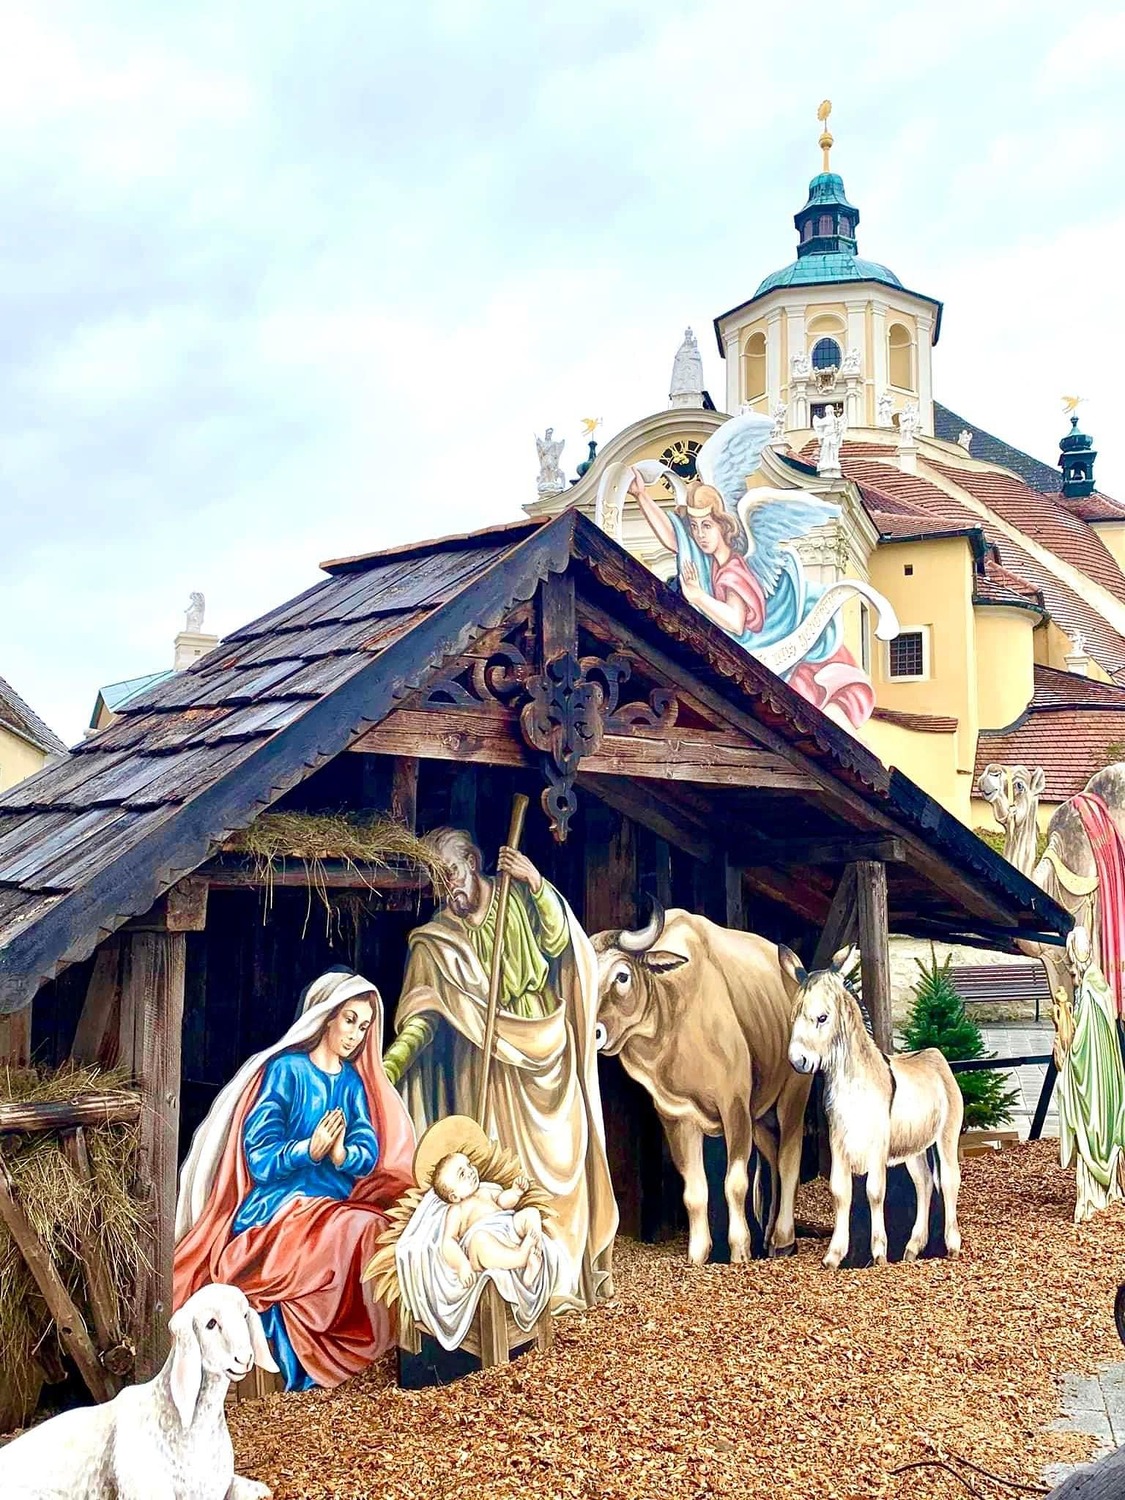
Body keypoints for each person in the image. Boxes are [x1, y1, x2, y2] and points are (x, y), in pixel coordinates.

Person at [382, 827, 617, 1308]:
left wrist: (536, 883)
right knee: (496, 1167)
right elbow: (422, 1015)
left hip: (545, 1046)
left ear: (472, 862)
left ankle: (562, 1279)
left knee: (562, 1164)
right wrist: (390, 1066)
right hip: (482, 1061)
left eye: (451, 872)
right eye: (437, 880)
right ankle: (512, 1285)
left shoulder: (519, 898)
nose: (448, 887)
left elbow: (560, 943)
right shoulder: (436, 940)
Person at [173, 970, 415, 1390]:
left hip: (332, 1208)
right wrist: (308, 1150)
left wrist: (340, 1154)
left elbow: (367, 1151)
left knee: (372, 1229)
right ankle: (315, 1363)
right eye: (349, 1020)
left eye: (364, 1026)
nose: (356, 1034)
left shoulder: (353, 1083)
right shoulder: (286, 1071)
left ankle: (362, 1359)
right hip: (277, 1209)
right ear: (326, 1018)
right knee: (355, 1230)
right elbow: (259, 1157)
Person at [630, 468, 874, 730]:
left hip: (766, 648)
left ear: (723, 527)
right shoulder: (709, 561)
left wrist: (697, 596)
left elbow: (736, 623)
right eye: (695, 527)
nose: (699, 535)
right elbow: (674, 538)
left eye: (707, 526)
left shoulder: (733, 571)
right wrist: (641, 496)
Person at [1054, 926, 1125, 1225]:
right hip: (1105, 1076)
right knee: (1102, 1123)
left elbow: (1080, 1042)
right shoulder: (1101, 986)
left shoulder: (1088, 990)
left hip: (1092, 1076)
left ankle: (1094, 1196)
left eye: (1072, 963)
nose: (1071, 971)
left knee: (1090, 1122)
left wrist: (1064, 1037)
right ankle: (1105, 1189)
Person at [431, 1152, 544, 1281]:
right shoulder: (457, 1210)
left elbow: (502, 1202)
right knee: (479, 1239)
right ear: (454, 1197)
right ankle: (521, 1257)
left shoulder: (486, 1189)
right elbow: (448, 1241)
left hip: (508, 1227)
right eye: (462, 1174)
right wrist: (462, 1265)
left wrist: (515, 1193)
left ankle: (535, 1253)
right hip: (484, 1244)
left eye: (469, 1165)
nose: (470, 1172)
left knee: (531, 1213)